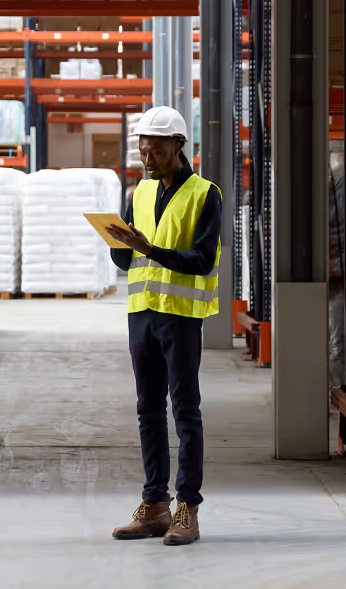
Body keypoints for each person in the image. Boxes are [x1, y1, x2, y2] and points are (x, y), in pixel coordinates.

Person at [106, 106, 222, 547]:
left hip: (181, 317)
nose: (147, 158)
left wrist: (150, 249)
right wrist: (118, 243)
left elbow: (202, 259)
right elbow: (125, 258)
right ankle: (154, 505)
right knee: (147, 409)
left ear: (178, 146)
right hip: (142, 314)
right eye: (142, 149)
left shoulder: (203, 194)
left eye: (155, 150)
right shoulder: (138, 193)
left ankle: (186, 507)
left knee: (185, 411)